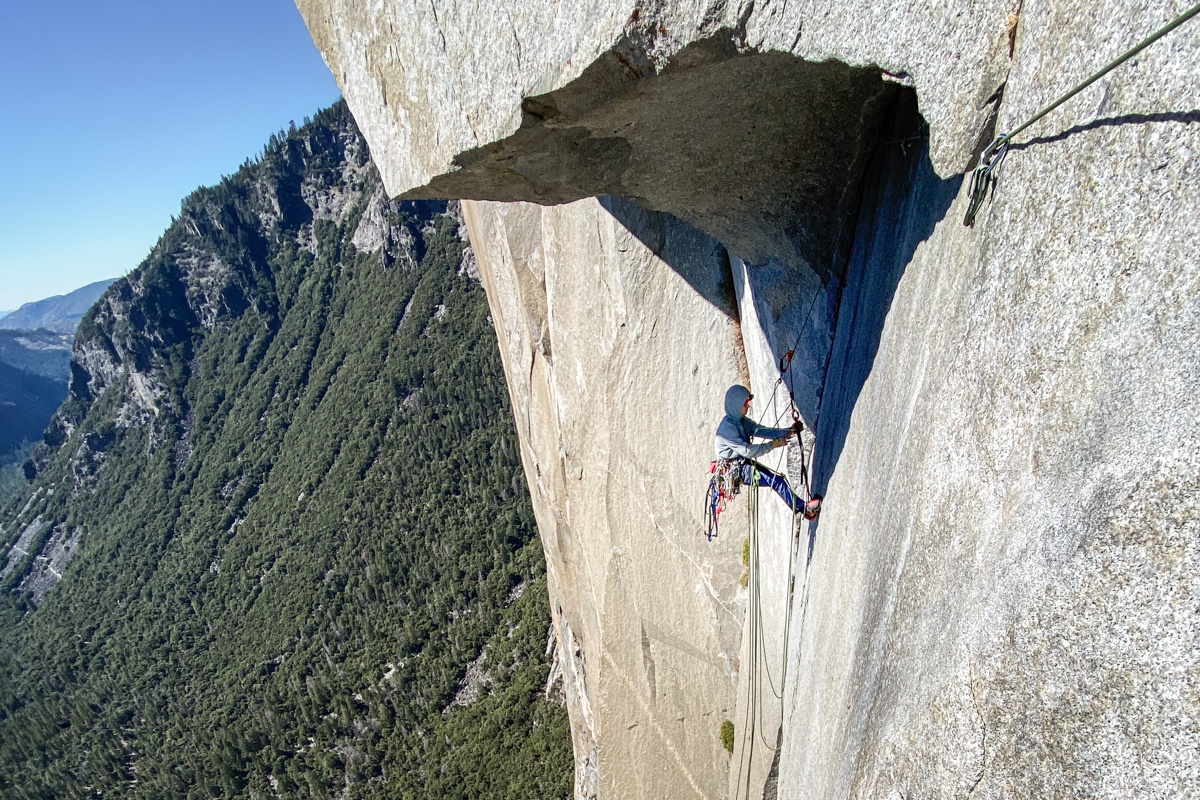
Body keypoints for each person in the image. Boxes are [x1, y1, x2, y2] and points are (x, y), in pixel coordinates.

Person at [712, 384, 820, 519]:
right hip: (736, 469)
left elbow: (761, 431)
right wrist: (771, 445)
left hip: (740, 464)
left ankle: (805, 509)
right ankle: (805, 509)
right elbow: (747, 451)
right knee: (776, 481)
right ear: (736, 405)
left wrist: (789, 431)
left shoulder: (739, 421)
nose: (748, 407)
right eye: (745, 404)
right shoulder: (727, 430)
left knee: (777, 480)